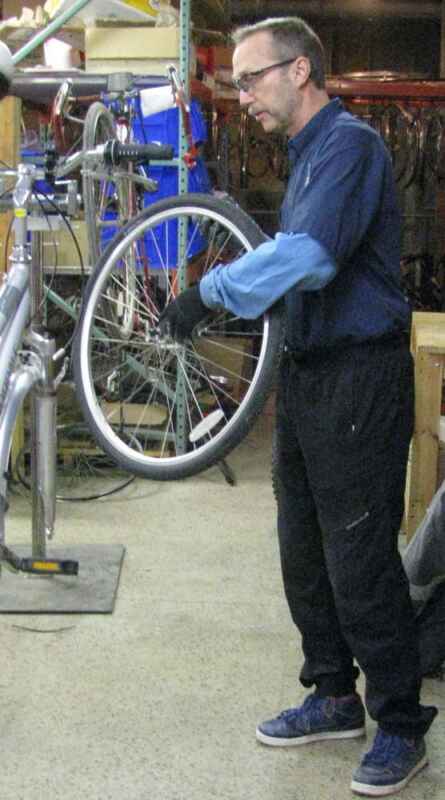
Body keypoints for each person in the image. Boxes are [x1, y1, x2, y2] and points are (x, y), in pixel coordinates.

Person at [159, 16, 437, 797]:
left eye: (251, 78)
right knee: (303, 551)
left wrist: (208, 293)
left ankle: (398, 725)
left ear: (302, 70)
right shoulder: (308, 155)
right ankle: (332, 694)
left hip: (358, 378)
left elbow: (308, 260)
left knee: (357, 558)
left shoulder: (350, 146)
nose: (240, 93)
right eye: (238, 81)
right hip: (310, 374)